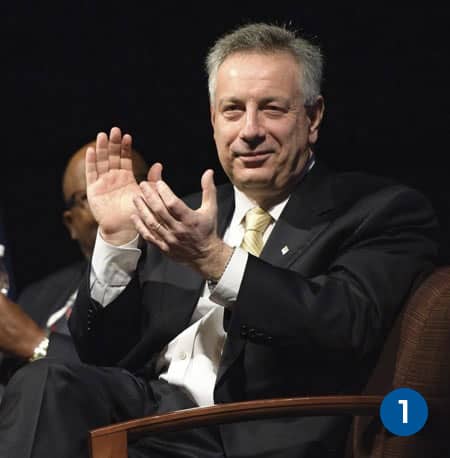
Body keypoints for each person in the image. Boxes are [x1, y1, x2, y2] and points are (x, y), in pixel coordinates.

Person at [0, 23, 438, 458]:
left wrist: (215, 259)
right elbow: (101, 353)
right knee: (44, 381)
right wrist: (116, 242)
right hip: (147, 414)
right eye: (232, 110)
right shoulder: (181, 214)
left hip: (244, 431)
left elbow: (344, 324)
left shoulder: (380, 211)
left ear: (313, 116)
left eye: (271, 109)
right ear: (213, 121)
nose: (249, 130)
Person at [0, 142, 148, 389]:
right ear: (71, 224)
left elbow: (132, 385)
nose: (113, 200)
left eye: (129, 184)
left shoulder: (173, 280)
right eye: (92, 194)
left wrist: (37, 344)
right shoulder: (36, 297)